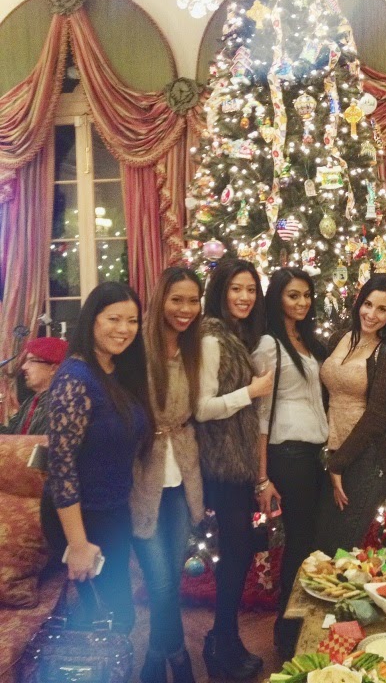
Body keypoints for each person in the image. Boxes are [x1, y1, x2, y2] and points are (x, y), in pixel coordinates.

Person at [40, 282, 152, 633]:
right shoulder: (75, 379)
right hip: (83, 517)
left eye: (132, 321)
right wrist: (77, 544)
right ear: (92, 320)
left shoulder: (116, 372)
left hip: (111, 510)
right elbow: (61, 467)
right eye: (114, 319)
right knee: (109, 620)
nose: (124, 329)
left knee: (116, 617)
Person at [195, 258, 273, 680]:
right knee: (236, 553)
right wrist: (251, 391)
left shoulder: (236, 336)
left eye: (251, 290)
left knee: (239, 554)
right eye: (236, 289)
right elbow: (201, 408)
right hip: (222, 464)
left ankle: (224, 638)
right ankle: (220, 641)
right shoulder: (211, 339)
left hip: (238, 463)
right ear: (220, 291)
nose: (244, 297)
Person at [130, 268, 204, 683]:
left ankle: (155, 658)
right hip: (144, 480)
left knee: (171, 581)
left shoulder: (195, 348)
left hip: (182, 482)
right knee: (158, 583)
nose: (185, 309)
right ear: (161, 299)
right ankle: (178, 656)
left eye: (193, 300)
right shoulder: (137, 347)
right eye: (177, 299)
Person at [253, 267, 328, 657]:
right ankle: (287, 632)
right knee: (299, 543)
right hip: (288, 455)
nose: (302, 302)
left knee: (310, 541)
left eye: (307, 295)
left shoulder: (307, 340)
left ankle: (304, 624)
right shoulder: (270, 344)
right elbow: (260, 414)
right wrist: (262, 476)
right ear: (277, 298)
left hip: (313, 455)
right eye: (293, 295)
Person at [314, 274, 386, 556]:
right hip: (336, 447)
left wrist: (337, 464)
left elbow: (377, 416)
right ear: (359, 302)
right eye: (368, 304)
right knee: (324, 539)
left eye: (382, 309)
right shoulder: (340, 337)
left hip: (370, 455)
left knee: (342, 543)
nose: (372, 314)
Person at [0, 337, 67, 434]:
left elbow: (42, 442)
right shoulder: (30, 402)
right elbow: (11, 434)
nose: (24, 367)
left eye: (31, 360)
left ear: (53, 369)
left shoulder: (59, 405)